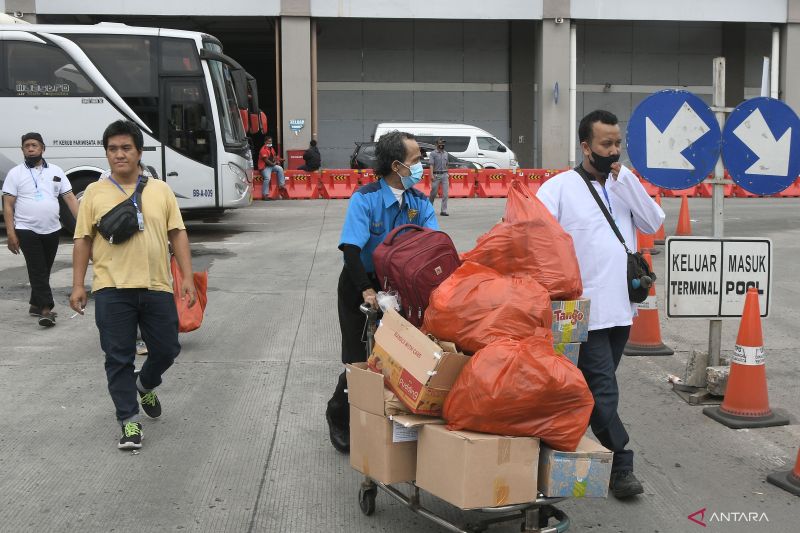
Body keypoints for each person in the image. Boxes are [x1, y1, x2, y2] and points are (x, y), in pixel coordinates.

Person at [536, 110, 665, 499]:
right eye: (606, 144)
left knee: (594, 390)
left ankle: (552, 444)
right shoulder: (558, 189)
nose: (614, 150)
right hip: (577, 310)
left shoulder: (623, 184)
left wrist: (626, 181)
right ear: (585, 146)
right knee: (602, 388)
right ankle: (621, 464)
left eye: (618, 143)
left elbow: (652, 221)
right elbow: (536, 239)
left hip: (620, 309)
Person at [70, 120, 197, 450]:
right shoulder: (95, 193)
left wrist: (186, 278)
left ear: (139, 151)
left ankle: (146, 384)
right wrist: (78, 285)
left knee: (168, 349)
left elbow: (177, 233)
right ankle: (128, 421)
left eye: (126, 148)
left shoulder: (160, 190)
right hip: (111, 289)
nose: (119, 154)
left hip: (157, 286)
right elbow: (82, 240)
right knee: (118, 357)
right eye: (112, 149)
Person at [325, 131, 438, 453]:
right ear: (396, 165)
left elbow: (434, 245)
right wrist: (366, 290)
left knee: (395, 358)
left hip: (400, 287)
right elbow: (350, 248)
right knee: (359, 359)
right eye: (416, 161)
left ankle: (390, 422)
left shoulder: (420, 201)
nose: (421, 166)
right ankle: (339, 413)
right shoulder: (366, 198)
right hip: (360, 283)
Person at [2, 132, 79, 327]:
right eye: (26, 146)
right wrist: (11, 233)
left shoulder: (56, 171)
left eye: (34, 145)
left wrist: (82, 226)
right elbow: (8, 205)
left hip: (52, 229)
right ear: (22, 150)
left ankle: (35, 304)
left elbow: (70, 198)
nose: (30, 148)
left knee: (43, 269)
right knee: (37, 269)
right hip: (26, 229)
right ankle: (46, 309)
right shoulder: (15, 173)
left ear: (43, 148)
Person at [428, 138, 450, 216]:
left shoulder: (446, 153)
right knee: (433, 193)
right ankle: (429, 209)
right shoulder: (433, 154)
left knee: (445, 194)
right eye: (440, 144)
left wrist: (447, 173)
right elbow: (431, 165)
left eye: (443, 144)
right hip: (436, 175)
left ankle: (443, 211)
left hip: (444, 175)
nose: (442, 145)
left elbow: (447, 164)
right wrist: (431, 175)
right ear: (436, 144)